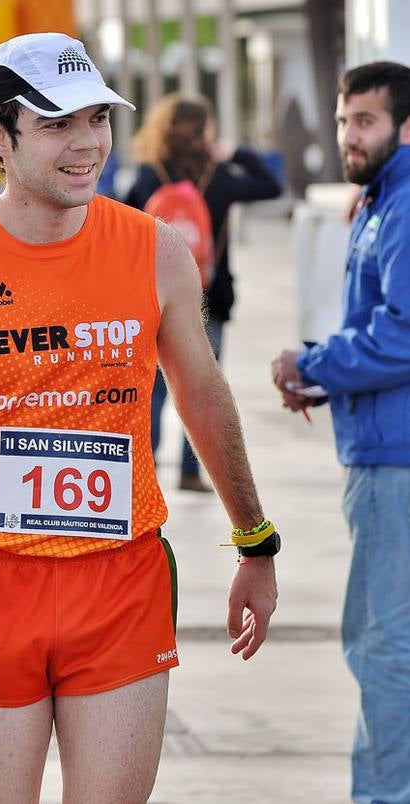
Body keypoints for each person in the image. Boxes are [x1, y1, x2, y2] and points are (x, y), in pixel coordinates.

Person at [0, 33, 279, 803]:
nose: (87, 143)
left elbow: (201, 394)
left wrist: (255, 541)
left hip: (120, 578)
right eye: (58, 123)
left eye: (97, 118)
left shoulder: (154, 249)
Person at [271, 60, 410, 804]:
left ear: (405, 127)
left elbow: (403, 335)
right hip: (384, 448)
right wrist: (324, 380)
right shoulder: (383, 200)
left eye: (367, 121)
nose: (349, 137)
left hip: (397, 465)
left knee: (383, 644)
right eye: (343, 121)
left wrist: (314, 361)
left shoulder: (405, 205)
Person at [125, 94, 282, 492]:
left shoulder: (148, 175)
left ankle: (144, 469)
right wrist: (238, 152)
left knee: (154, 386)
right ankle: (193, 472)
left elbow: (119, 222)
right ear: (204, 131)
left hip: (152, 295)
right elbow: (271, 186)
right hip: (208, 296)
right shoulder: (221, 176)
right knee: (202, 385)